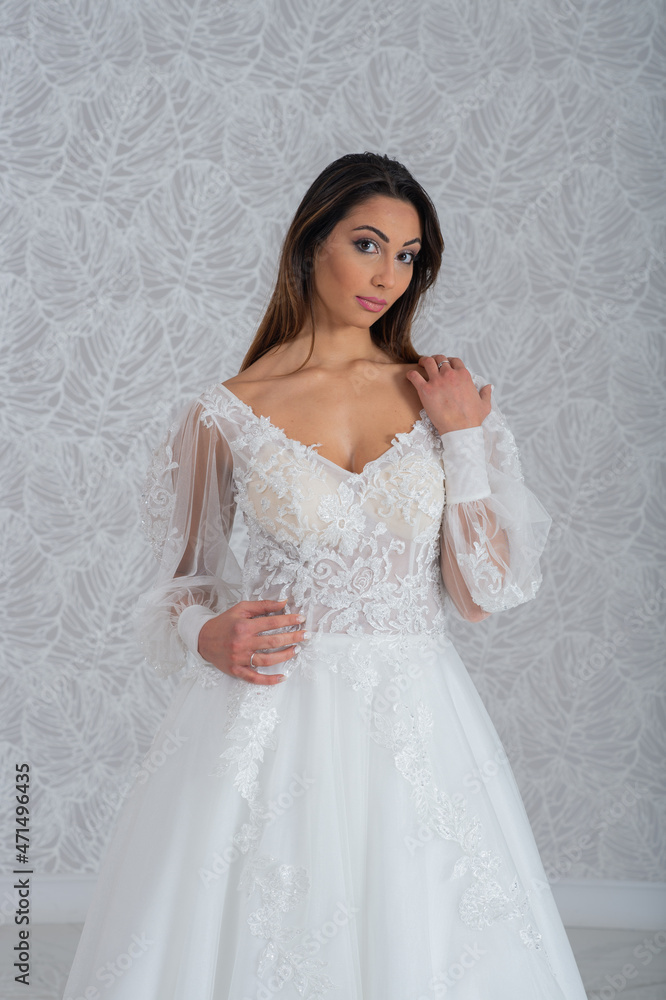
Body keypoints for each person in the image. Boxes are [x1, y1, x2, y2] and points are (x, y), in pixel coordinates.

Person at [62, 152, 588, 999]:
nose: (388, 276)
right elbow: (178, 581)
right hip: (272, 708)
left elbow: (480, 595)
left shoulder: (441, 397)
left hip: (415, 713)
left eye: (408, 256)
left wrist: (463, 440)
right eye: (368, 244)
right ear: (312, 244)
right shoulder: (223, 412)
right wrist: (203, 631)